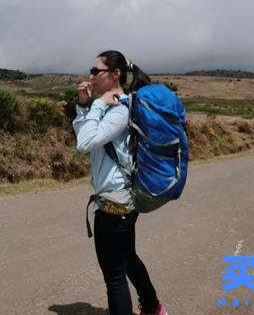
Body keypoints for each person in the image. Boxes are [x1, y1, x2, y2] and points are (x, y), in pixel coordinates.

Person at [72, 50, 168, 315]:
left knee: (114, 278)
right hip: (121, 199)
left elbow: (85, 143)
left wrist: (99, 104)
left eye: (95, 71)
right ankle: (153, 307)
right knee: (127, 259)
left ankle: (152, 306)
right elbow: (88, 137)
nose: (90, 76)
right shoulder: (112, 106)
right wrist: (84, 107)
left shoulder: (118, 109)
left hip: (115, 204)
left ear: (115, 74)